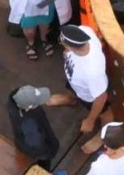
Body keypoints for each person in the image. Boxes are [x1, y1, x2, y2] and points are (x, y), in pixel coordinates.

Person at [47, 24, 110, 154]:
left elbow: (101, 97)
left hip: (89, 94)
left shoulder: (92, 71)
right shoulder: (84, 31)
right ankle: (70, 99)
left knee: (105, 113)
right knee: (71, 88)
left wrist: (90, 120)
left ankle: (103, 135)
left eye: (61, 42)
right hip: (75, 79)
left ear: (70, 47)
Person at [7, 85, 61, 170]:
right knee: (43, 166)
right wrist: (51, 150)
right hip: (39, 152)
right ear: (29, 108)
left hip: (20, 141)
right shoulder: (29, 126)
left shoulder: (16, 98)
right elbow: (38, 147)